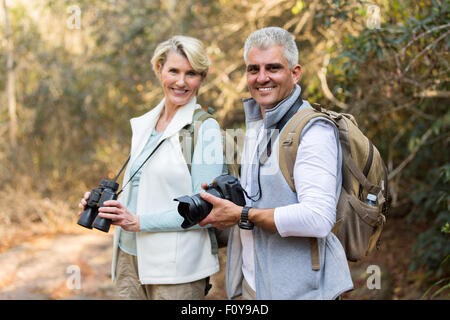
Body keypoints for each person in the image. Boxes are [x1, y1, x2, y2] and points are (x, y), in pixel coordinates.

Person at [198, 27, 354, 299]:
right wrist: (224, 202)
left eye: (273, 68)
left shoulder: (313, 131)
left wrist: (242, 215)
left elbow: (318, 219)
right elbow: (257, 200)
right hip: (253, 285)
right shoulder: (259, 125)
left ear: (295, 73)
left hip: (301, 290)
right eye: (253, 69)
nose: (262, 78)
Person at [78, 35, 224, 300]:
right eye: (174, 71)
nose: (181, 82)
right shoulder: (145, 125)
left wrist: (138, 222)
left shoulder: (206, 129)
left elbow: (204, 208)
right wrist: (107, 209)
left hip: (176, 270)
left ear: (202, 77)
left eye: (191, 73)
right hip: (128, 259)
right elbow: (141, 191)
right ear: (159, 71)